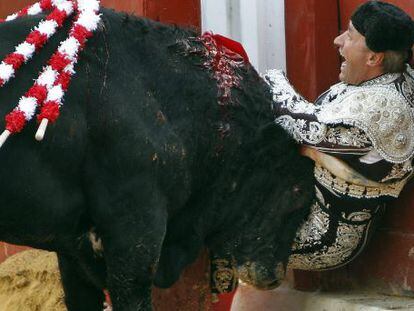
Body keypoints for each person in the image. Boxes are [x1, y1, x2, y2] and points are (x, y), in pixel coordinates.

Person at [262, 0, 414, 273]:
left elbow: (299, 122)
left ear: (373, 58)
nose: (337, 40)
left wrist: (270, 76)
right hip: (299, 199)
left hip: (319, 233)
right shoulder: (393, 75)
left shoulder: (382, 109)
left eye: (350, 35)